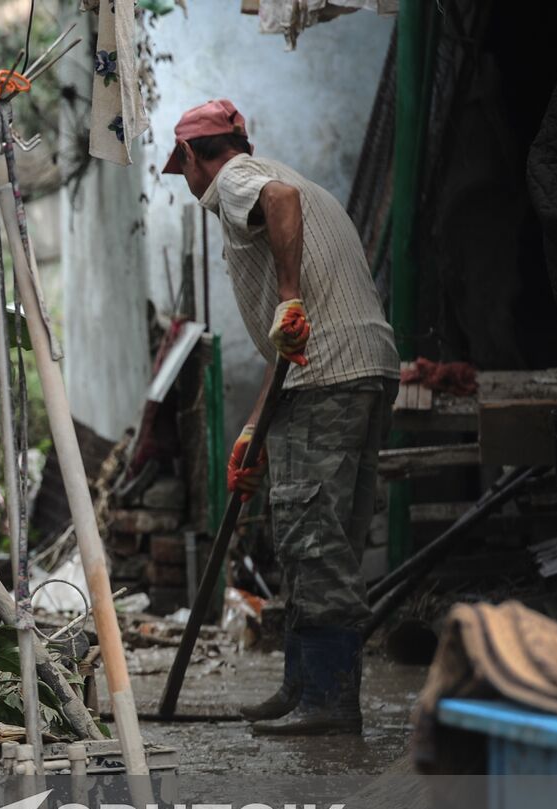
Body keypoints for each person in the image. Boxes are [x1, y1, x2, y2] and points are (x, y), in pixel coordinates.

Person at [163, 99, 400, 735]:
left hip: (329, 373)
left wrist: (289, 296)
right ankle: (304, 687)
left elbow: (281, 199)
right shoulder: (282, 178)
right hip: (355, 367)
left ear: (192, 155)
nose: (186, 184)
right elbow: (285, 343)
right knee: (323, 534)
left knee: (310, 534)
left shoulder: (238, 179)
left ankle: (327, 699)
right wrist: (254, 430)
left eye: (181, 168)